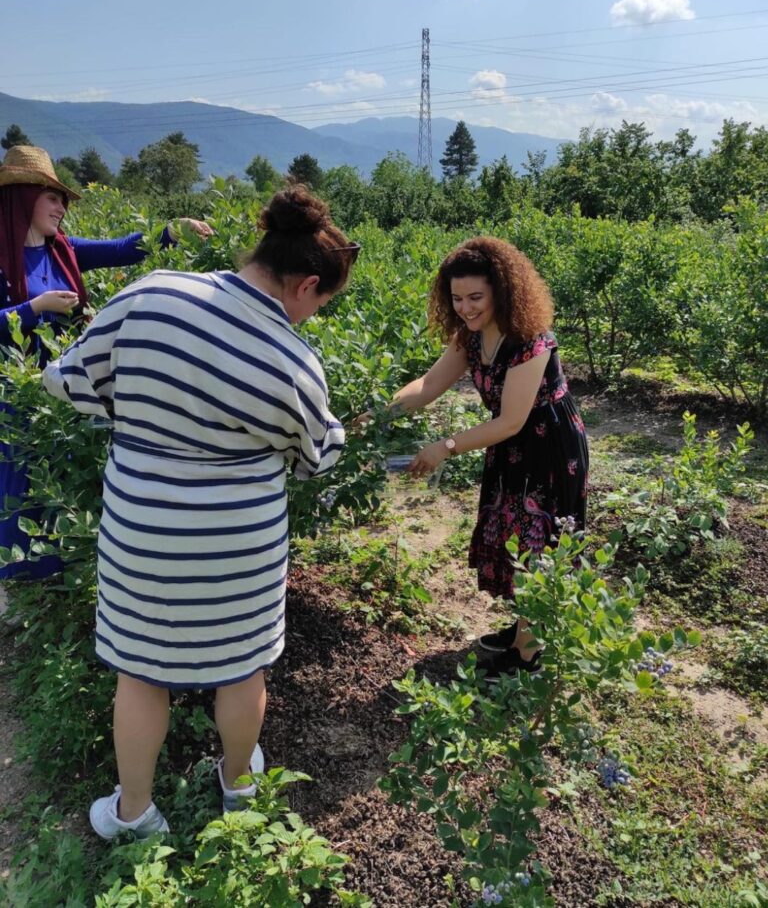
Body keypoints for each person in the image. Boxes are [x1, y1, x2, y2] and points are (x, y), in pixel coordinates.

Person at [42, 185, 358, 838]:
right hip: (240, 547)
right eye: (320, 304)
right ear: (304, 284)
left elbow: (70, 382)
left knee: (140, 672)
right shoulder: (294, 359)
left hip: (143, 530)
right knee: (242, 669)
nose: (312, 318)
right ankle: (239, 785)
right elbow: (319, 455)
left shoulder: (151, 294)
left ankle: (133, 814)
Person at [0, 145, 212, 580]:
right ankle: (24, 579)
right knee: (22, 475)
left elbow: (121, 248)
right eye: (52, 197)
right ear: (23, 197)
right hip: (15, 390)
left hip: (62, 384)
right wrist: (34, 308)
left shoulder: (63, 250)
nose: (61, 208)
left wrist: (172, 232)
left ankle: (60, 566)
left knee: (60, 474)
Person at [380, 237, 588, 682]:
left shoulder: (530, 340)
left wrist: (445, 446)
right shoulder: (470, 337)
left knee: (537, 542)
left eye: (476, 297)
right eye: (456, 299)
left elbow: (512, 419)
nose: (466, 308)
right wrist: (377, 414)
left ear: (501, 290)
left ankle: (528, 659)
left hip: (550, 446)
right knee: (512, 536)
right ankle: (524, 633)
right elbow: (428, 385)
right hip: (511, 448)